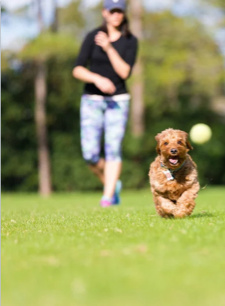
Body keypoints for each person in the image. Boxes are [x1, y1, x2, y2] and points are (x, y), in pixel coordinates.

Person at [72, 0, 138, 207]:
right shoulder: (92, 37)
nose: (116, 15)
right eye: (112, 11)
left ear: (124, 14)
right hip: (92, 100)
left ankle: (107, 197)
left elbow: (125, 73)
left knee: (113, 149)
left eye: (120, 11)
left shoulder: (130, 40)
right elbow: (77, 69)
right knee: (90, 154)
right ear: (104, 13)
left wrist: (109, 48)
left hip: (118, 101)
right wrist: (96, 79)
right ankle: (111, 185)